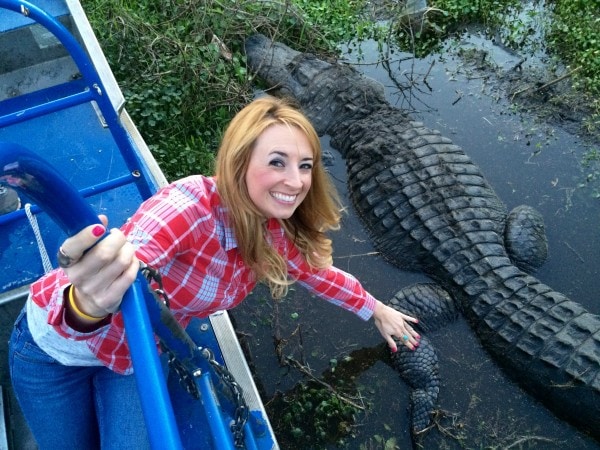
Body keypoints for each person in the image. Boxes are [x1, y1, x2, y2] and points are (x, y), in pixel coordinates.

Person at [9, 95, 420, 449]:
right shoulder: (190, 207)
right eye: (277, 162)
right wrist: (89, 300)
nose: (295, 181)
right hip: (56, 349)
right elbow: (136, 254)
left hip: (133, 356)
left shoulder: (274, 231)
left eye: (306, 165)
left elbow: (319, 275)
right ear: (240, 162)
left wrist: (376, 310)